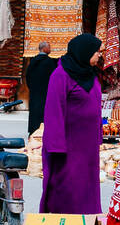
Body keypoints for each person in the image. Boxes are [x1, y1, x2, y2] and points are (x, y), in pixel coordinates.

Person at [40, 33, 104, 214]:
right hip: (68, 147)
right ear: (84, 52)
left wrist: (98, 137)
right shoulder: (60, 75)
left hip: (88, 147)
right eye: (96, 52)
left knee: (87, 188)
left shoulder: (91, 75)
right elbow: (53, 111)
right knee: (68, 189)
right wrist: (56, 146)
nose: (99, 55)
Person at [25, 42, 59, 134]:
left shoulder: (33, 61)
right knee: (45, 112)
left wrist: (32, 88)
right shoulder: (49, 62)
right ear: (44, 49)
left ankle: (33, 131)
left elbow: (27, 76)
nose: (50, 49)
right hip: (46, 92)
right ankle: (44, 131)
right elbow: (54, 77)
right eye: (49, 47)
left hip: (35, 92)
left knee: (35, 112)